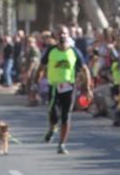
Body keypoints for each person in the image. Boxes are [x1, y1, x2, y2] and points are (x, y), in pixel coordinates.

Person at [38, 26, 93, 155]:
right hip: (54, 87)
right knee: (53, 114)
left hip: (69, 87)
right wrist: (36, 82)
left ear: (68, 35)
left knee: (66, 116)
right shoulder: (51, 51)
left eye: (64, 33)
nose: (62, 35)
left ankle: (61, 144)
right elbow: (41, 66)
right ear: (56, 36)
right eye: (60, 33)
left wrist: (88, 88)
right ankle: (52, 128)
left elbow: (85, 70)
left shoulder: (74, 52)